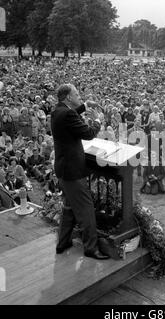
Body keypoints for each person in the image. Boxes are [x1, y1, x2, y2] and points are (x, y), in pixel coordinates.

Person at [51, 84, 109, 260]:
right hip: (73, 171)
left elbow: (71, 115)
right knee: (86, 210)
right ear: (68, 97)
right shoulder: (67, 114)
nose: (79, 96)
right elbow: (89, 133)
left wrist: (85, 106)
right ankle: (91, 248)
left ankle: (63, 242)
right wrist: (98, 120)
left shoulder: (57, 111)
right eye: (77, 94)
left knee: (69, 208)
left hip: (63, 168)